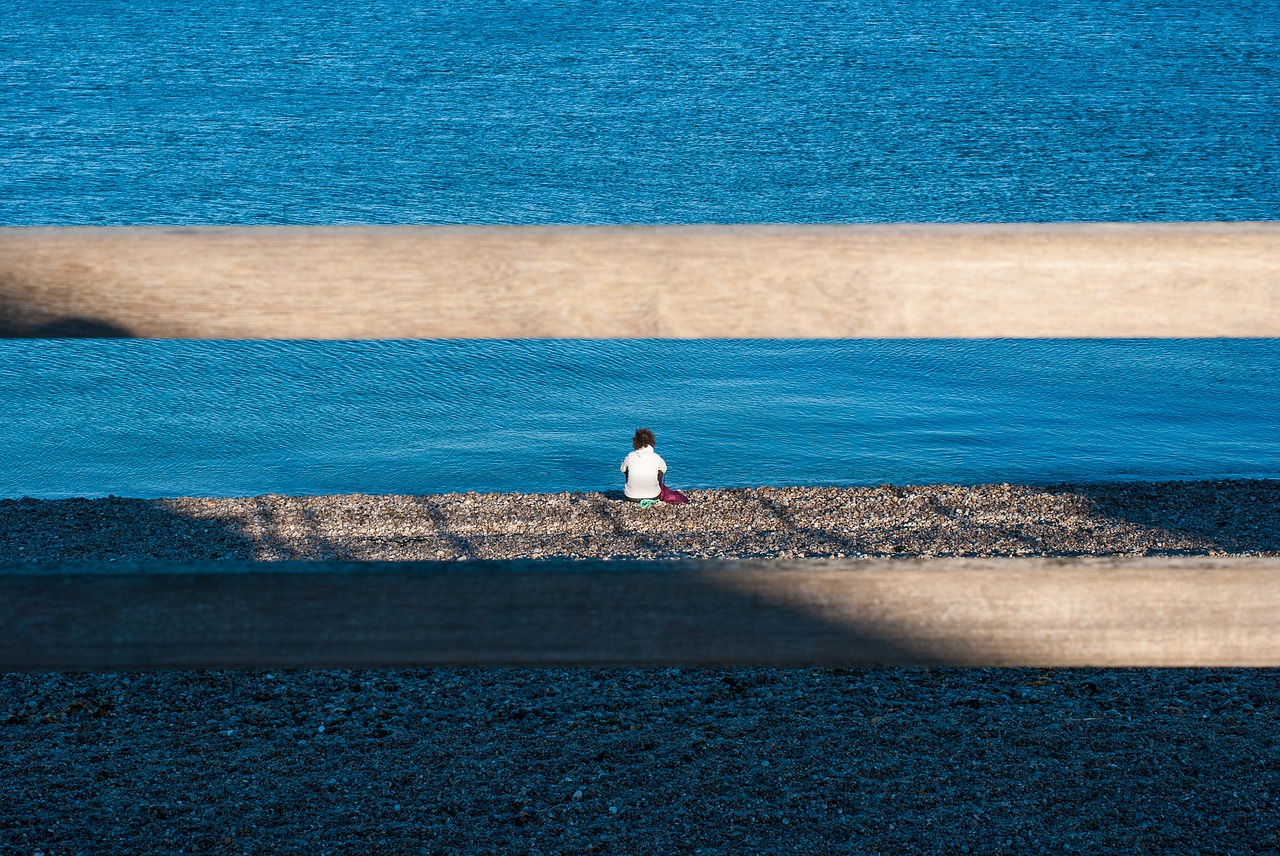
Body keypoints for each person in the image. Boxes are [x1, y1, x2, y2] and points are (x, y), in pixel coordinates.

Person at [620, 427, 667, 501]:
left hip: (631, 496)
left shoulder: (630, 456)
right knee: (659, 469)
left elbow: (622, 469)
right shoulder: (656, 457)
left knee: (627, 469)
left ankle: (633, 488)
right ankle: (654, 488)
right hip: (654, 495)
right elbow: (664, 469)